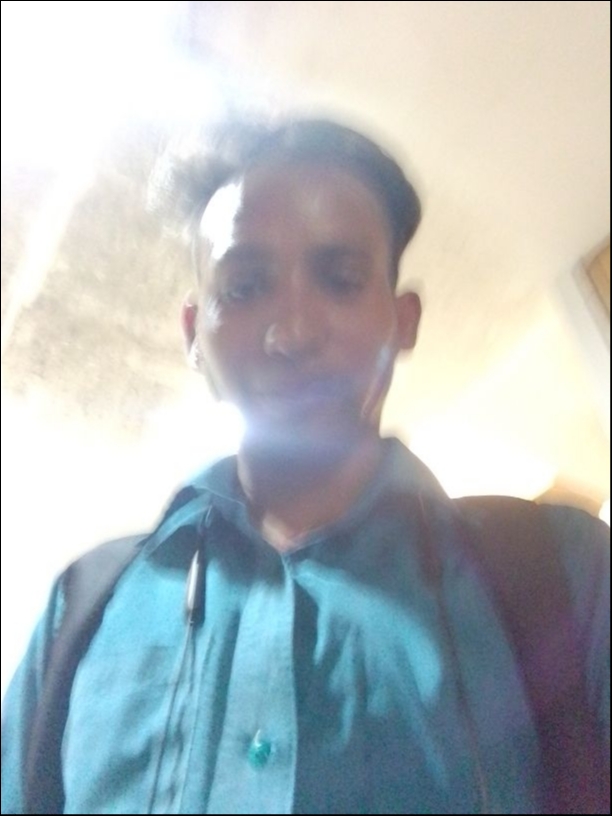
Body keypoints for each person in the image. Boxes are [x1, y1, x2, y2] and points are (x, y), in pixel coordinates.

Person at [1, 115, 609, 815]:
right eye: (244, 288)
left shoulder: (565, 575)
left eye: (341, 280)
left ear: (403, 321)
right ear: (194, 334)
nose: (291, 334)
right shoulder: (83, 606)